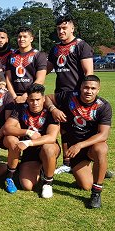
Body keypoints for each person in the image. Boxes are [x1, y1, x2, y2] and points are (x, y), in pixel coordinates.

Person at [45, 75, 111, 208]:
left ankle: (96, 193)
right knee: (86, 185)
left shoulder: (103, 106)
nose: (89, 91)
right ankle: (100, 170)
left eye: (93, 88)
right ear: (80, 87)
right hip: (75, 151)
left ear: (98, 90)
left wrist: (80, 145)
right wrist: (54, 109)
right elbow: (47, 98)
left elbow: (103, 135)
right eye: (86, 87)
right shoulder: (69, 96)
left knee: (101, 149)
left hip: (90, 146)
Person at [47, 15, 94, 174]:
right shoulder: (55, 48)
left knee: (83, 127)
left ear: (72, 28)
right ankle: (67, 162)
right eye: (59, 28)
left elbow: (89, 72)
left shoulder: (81, 45)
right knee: (65, 128)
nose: (61, 31)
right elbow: (46, 68)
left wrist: (85, 94)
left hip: (77, 94)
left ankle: (92, 161)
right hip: (61, 94)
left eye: (64, 28)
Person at [3, 84, 60, 198]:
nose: (35, 103)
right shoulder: (20, 108)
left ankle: (48, 183)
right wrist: (28, 132)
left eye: (38, 100)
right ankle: (39, 168)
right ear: (27, 99)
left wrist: (28, 142)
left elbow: (51, 137)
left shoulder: (50, 112)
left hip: (46, 147)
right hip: (29, 151)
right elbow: (7, 128)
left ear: (43, 99)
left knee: (48, 148)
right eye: (32, 100)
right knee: (27, 186)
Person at [5, 26, 47, 104]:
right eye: (19, 37)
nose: (22, 39)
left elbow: (40, 79)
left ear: (31, 39)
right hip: (14, 98)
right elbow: (8, 79)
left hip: (32, 97)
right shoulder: (11, 56)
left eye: (25, 37)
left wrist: (26, 95)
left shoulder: (38, 55)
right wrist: (14, 97)